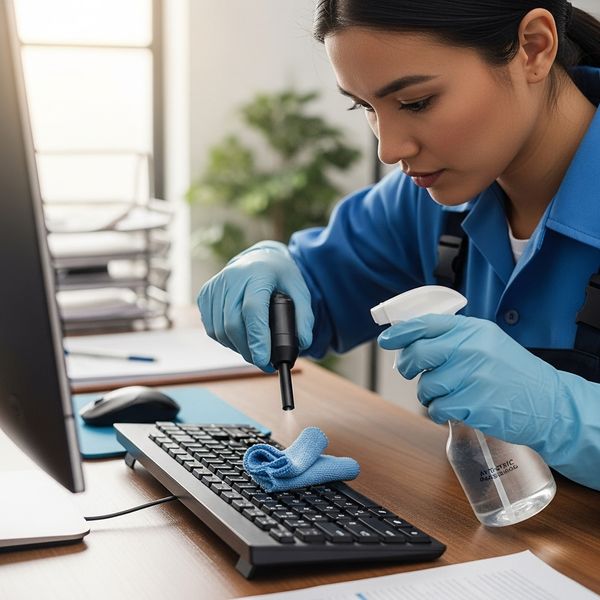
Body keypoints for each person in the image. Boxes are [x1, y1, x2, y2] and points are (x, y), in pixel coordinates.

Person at [198, 1, 600, 491]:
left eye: (415, 102)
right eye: (365, 106)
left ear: (533, 48)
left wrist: (562, 414)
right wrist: (269, 270)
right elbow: (317, 292)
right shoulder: (427, 200)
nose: (389, 149)